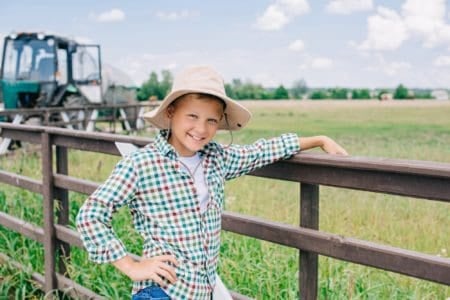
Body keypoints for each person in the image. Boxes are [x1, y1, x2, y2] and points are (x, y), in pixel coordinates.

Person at [76, 65, 347, 300]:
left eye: (211, 121)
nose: (201, 129)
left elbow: (262, 151)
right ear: (171, 112)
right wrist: (131, 266)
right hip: (161, 291)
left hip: (199, 291)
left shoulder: (216, 159)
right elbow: (91, 215)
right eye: (192, 116)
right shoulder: (142, 164)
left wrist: (319, 140)